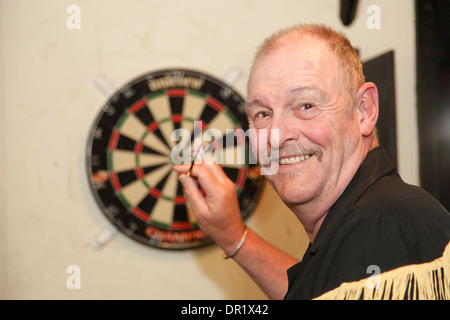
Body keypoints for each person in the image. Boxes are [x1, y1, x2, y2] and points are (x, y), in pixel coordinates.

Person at [174, 24, 450, 300]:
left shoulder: (379, 228)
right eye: (262, 114)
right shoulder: (360, 219)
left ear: (364, 110)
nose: (277, 136)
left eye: (306, 106)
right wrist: (233, 235)